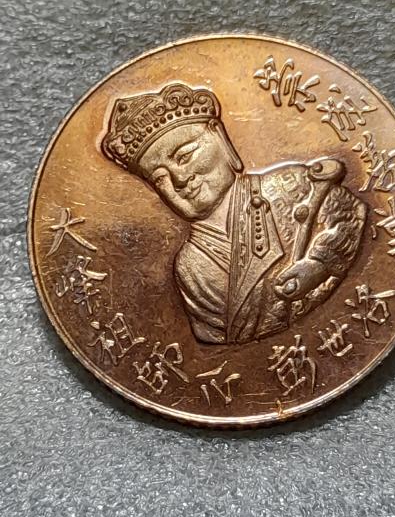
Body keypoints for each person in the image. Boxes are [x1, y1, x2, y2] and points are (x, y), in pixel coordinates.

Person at [102, 82, 366, 344]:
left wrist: (318, 265)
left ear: (220, 138)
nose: (180, 179)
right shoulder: (189, 266)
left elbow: (351, 215)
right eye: (160, 179)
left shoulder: (291, 187)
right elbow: (216, 343)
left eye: (184, 156)